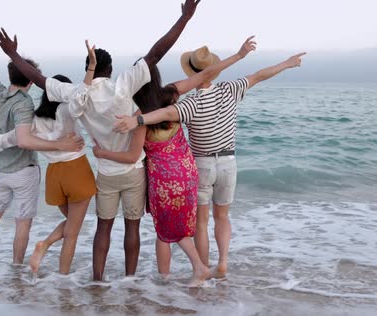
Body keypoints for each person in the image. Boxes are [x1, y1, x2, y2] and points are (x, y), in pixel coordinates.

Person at [0, 0, 203, 281]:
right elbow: (156, 53)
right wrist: (184, 18)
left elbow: (38, 79)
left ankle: (97, 281)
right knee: (132, 228)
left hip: (105, 172)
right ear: (111, 68)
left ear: (88, 68)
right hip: (132, 170)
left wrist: (13, 54)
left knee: (103, 227)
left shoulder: (76, 93)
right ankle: (129, 282)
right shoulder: (124, 86)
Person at [113, 40, 306, 276]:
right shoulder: (230, 89)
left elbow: (164, 114)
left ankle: (201, 271)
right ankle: (222, 262)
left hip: (201, 164)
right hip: (227, 163)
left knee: (200, 224)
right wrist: (286, 63)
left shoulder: (190, 104)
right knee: (222, 217)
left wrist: (137, 120)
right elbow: (259, 76)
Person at [93, 37, 257, 283]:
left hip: (164, 181)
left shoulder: (140, 117)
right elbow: (205, 76)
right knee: (187, 225)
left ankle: (178, 276)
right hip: (189, 172)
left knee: (165, 231)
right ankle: (193, 272)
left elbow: (131, 156)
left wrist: (102, 153)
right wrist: (239, 55)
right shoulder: (170, 94)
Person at [0, 41, 98, 275]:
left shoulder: (33, 117)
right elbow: (80, 98)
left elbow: (8, 138)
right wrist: (90, 69)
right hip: (72, 170)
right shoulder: (65, 110)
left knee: (71, 223)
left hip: (52, 176)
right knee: (71, 229)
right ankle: (52, 269)